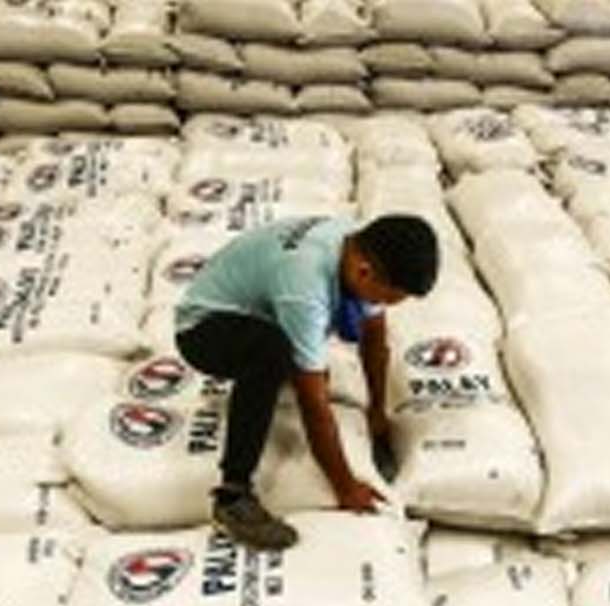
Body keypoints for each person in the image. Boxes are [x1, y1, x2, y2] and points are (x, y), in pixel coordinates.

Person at [174, 214, 440, 551]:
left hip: (256, 308)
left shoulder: (362, 246)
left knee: (297, 356)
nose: (382, 306)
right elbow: (313, 405)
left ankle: (282, 362)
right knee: (271, 352)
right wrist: (345, 486)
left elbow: (375, 339)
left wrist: (377, 412)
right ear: (364, 272)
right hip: (203, 329)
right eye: (386, 298)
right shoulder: (304, 286)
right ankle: (233, 496)